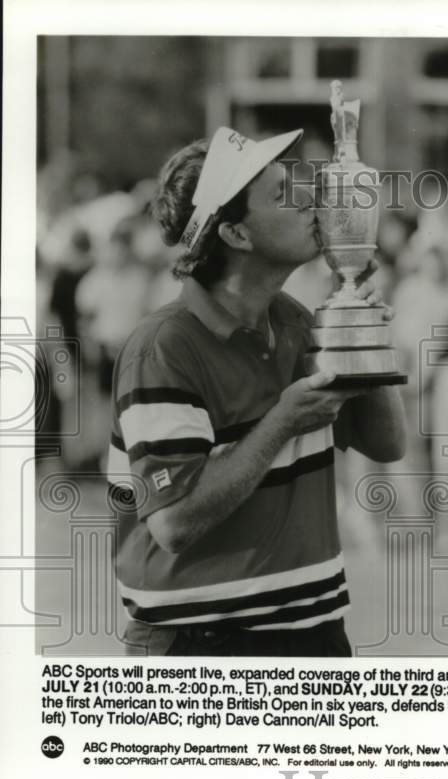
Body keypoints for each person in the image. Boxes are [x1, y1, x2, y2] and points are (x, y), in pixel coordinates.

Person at [108, 127, 406, 656]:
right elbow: (174, 521)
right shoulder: (164, 346)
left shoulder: (294, 320)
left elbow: (387, 444)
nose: (308, 200)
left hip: (316, 632)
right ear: (237, 236)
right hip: (200, 648)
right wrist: (282, 423)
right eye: (281, 194)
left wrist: (364, 335)